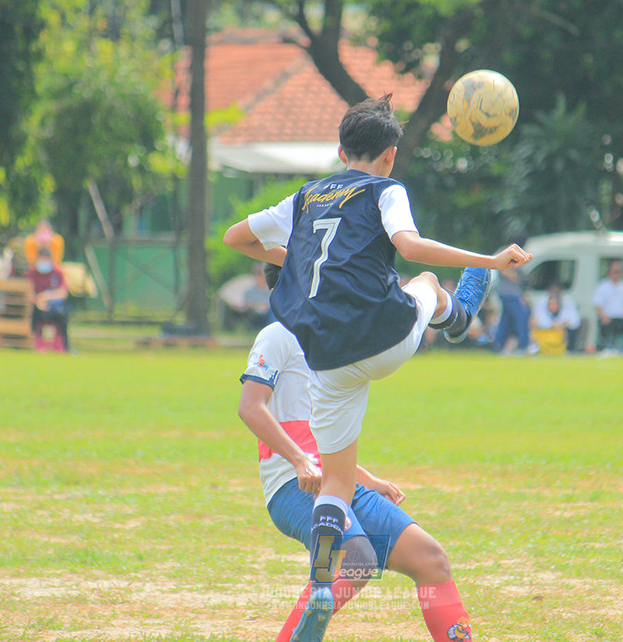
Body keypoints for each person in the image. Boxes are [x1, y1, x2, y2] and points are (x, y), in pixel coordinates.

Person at [223, 94, 530, 640]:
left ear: (340, 150)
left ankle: (327, 571)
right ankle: (457, 317)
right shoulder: (386, 188)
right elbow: (408, 245)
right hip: (380, 340)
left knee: (424, 557)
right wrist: (487, 261)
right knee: (428, 285)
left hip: (334, 361)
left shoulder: (305, 198)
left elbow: (236, 238)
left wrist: (298, 259)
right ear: (390, 155)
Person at [240, 264, 473, 641]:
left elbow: (321, 437)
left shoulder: (332, 341)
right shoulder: (277, 335)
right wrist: (299, 461)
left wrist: (367, 479)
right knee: (358, 560)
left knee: (431, 560)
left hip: (338, 482)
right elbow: (251, 407)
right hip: (293, 487)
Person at [24, 247, 70, 351]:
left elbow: (63, 292)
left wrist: (47, 296)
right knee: (34, 313)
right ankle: (37, 343)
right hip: (37, 306)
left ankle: (63, 345)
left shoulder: (57, 272)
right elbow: (28, 292)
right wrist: (38, 301)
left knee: (62, 313)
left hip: (54, 305)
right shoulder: (31, 273)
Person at [491, 235, 531, 354]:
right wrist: (516, 277)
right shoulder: (507, 251)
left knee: (506, 320)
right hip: (509, 292)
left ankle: (498, 345)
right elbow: (502, 269)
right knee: (522, 316)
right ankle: (524, 345)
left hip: (507, 292)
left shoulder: (507, 250)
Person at [592, 259, 623, 350]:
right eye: (615, 272)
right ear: (609, 272)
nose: (617, 274)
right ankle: (606, 346)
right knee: (605, 325)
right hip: (609, 319)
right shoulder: (603, 287)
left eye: (619, 272)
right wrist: (603, 316)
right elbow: (597, 305)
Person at [531, 283, 581, 354]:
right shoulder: (541, 302)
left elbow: (575, 321)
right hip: (545, 331)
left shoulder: (568, 302)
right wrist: (552, 326)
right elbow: (537, 320)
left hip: (563, 330)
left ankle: (569, 349)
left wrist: (562, 326)